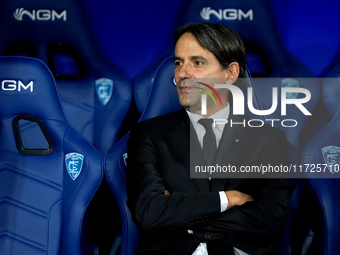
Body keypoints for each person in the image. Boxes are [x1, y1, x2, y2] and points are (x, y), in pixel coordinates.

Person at [126, 22, 291, 255]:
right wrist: (227, 199)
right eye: (178, 63)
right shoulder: (149, 135)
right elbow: (149, 213)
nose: (182, 73)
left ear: (231, 73)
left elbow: (271, 220)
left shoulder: (269, 139)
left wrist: (181, 212)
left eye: (198, 62)